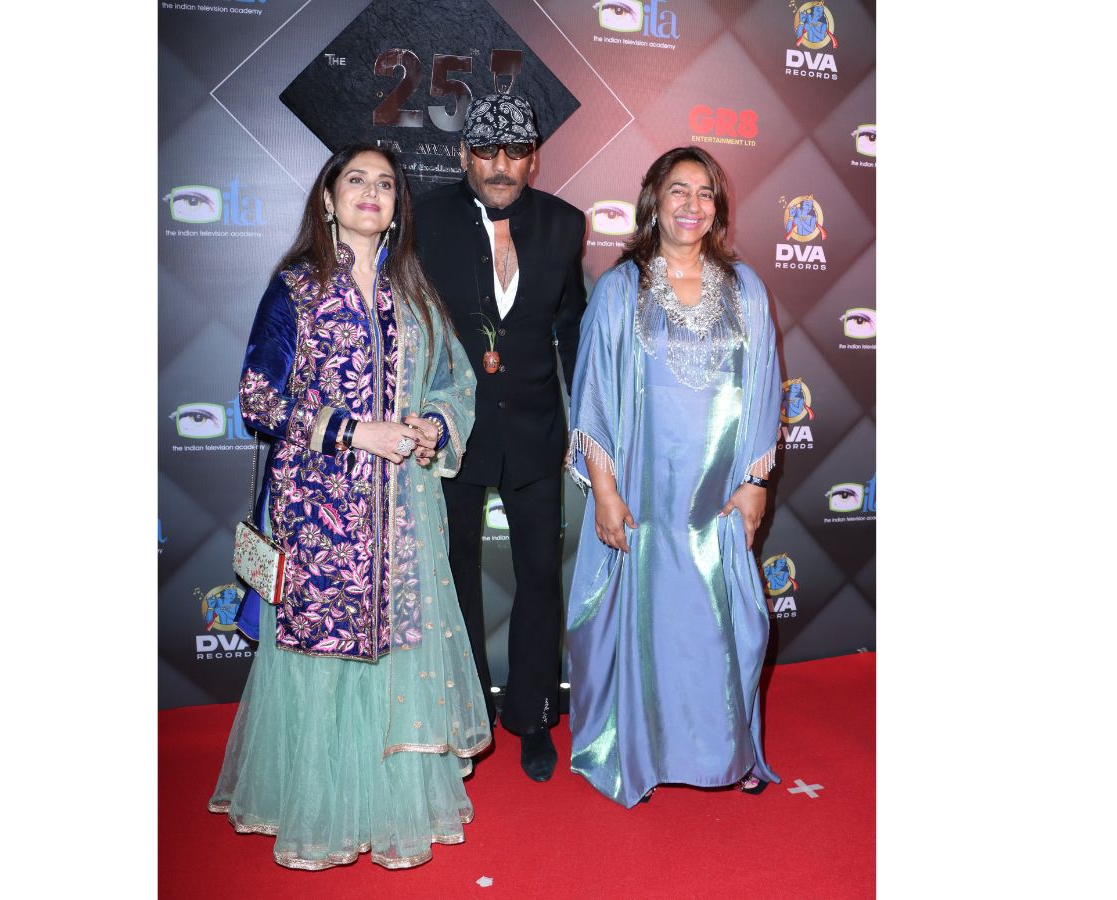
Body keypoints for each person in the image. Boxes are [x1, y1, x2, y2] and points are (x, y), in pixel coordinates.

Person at [208, 143, 491, 869]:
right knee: (324, 655)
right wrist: (354, 431)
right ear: (328, 198)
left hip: (403, 519)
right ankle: (323, 815)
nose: (372, 192)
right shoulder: (298, 288)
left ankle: (387, 808)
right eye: (356, 180)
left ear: (397, 207)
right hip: (317, 515)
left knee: (396, 656)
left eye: (386, 184)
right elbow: (258, 399)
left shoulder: (412, 292)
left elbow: (454, 382)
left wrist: (431, 427)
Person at [564, 146, 782, 808]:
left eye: (705, 193)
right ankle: (644, 753)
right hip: (645, 494)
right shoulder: (620, 289)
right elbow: (593, 396)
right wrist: (605, 492)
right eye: (679, 190)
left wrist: (755, 482)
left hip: (718, 494)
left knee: (721, 623)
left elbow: (764, 386)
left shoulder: (745, 289)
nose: (692, 205)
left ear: (719, 207)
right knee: (650, 625)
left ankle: (726, 750)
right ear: (654, 201)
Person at [413, 93, 586, 782]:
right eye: (486, 151)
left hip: (538, 429)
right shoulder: (423, 218)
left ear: (533, 158)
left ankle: (532, 716)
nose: (500, 166)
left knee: (541, 576)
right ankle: (466, 718)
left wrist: (584, 423)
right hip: (451, 430)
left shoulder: (564, 224)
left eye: (515, 152)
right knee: (455, 576)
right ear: (464, 154)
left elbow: (571, 329)